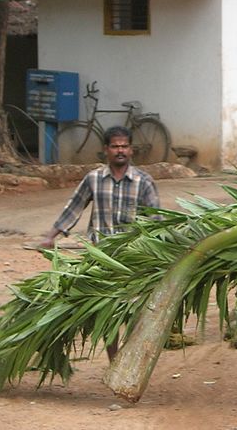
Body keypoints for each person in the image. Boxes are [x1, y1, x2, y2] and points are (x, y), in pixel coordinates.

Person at [39, 125, 160, 359]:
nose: (120, 150)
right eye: (115, 146)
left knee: (135, 309)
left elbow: (156, 219)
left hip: (131, 258)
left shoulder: (143, 182)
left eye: (124, 146)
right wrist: (50, 236)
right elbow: (74, 207)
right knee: (107, 311)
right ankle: (115, 361)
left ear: (131, 150)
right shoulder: (94, 179)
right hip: (100, 257)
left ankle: (130, 357)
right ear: (106, 150)